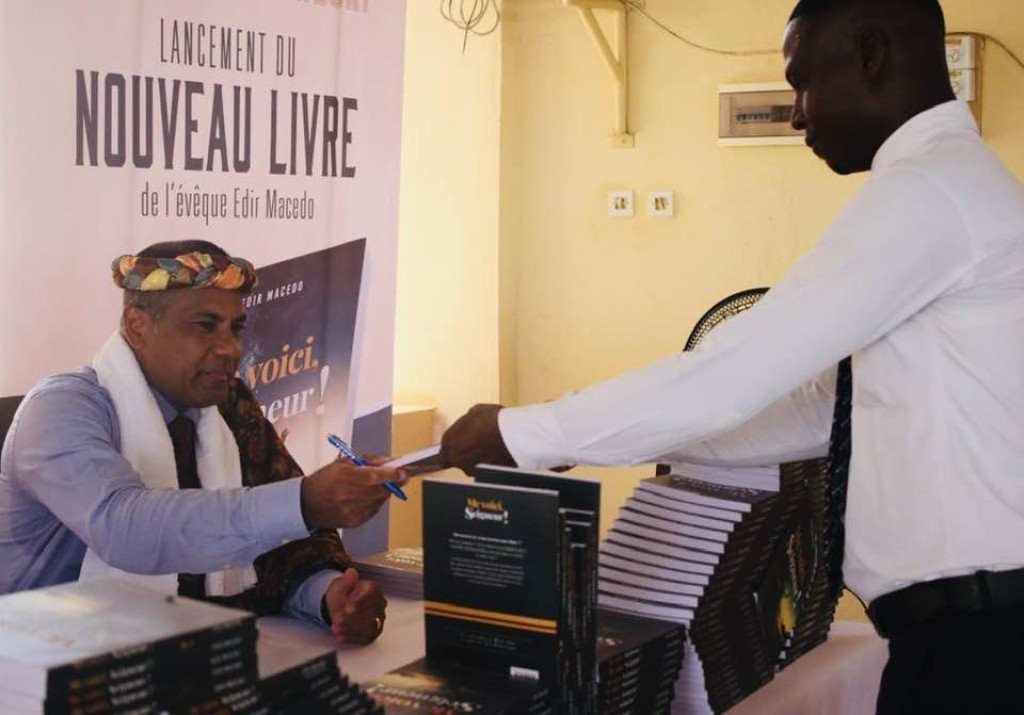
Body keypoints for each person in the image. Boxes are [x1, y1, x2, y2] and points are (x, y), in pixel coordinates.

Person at [440, 0, 1024, 711]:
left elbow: (730, 375)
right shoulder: (951, 183)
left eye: (803, 83)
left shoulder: (929, 191)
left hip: (980, 641)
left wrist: (525, 432)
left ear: (870, 53)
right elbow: (818, 414)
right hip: (965, 632)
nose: (798, 114)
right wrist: (588, 442)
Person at [0, 240, 409, 646]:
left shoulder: (230, 406)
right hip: (38, 661)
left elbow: (279, 547)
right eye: (205, 326)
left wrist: (328, 594)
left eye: (236, 328)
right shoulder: (61, 408)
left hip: (186, 656)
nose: (231, 349)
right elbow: (123, 529)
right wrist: (303, 502)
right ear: (137, 327)